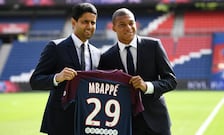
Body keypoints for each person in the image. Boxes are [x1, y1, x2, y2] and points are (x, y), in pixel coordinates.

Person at [98, 8, 177, 135]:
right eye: (122, 25)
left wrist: (147, 86)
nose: (128, 27)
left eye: (131, 23)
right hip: (126, 124)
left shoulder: (154, 46)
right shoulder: (107, 57)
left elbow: (171, 81)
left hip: (156, 121)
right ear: (113, 28)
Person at [30, 3, 100, 135]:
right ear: (74, 22)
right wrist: (58, 78)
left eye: (93, 22)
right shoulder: (55, 47)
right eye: (85, 22)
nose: (90, 26)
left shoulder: (97, 53)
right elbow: (35, 80)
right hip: (60, 122)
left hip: (88, 121)